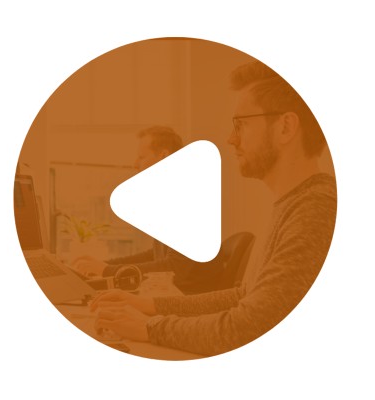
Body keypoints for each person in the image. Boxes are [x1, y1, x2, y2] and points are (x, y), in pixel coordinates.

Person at [89, 61, 337, 357]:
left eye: (240, 125)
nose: (231, 139)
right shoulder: (291, 204)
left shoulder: (315, 209)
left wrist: (149, 327)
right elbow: (244, 297)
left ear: (285, 127)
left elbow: (248, 328)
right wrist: (148, 305)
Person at [72, 125, 223, 293]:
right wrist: (105, 265)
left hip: (187, 298)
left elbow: (173, 268)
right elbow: (155, 255)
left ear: (164, 157)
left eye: (141, 157)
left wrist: (107, 270)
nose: (135, 164)